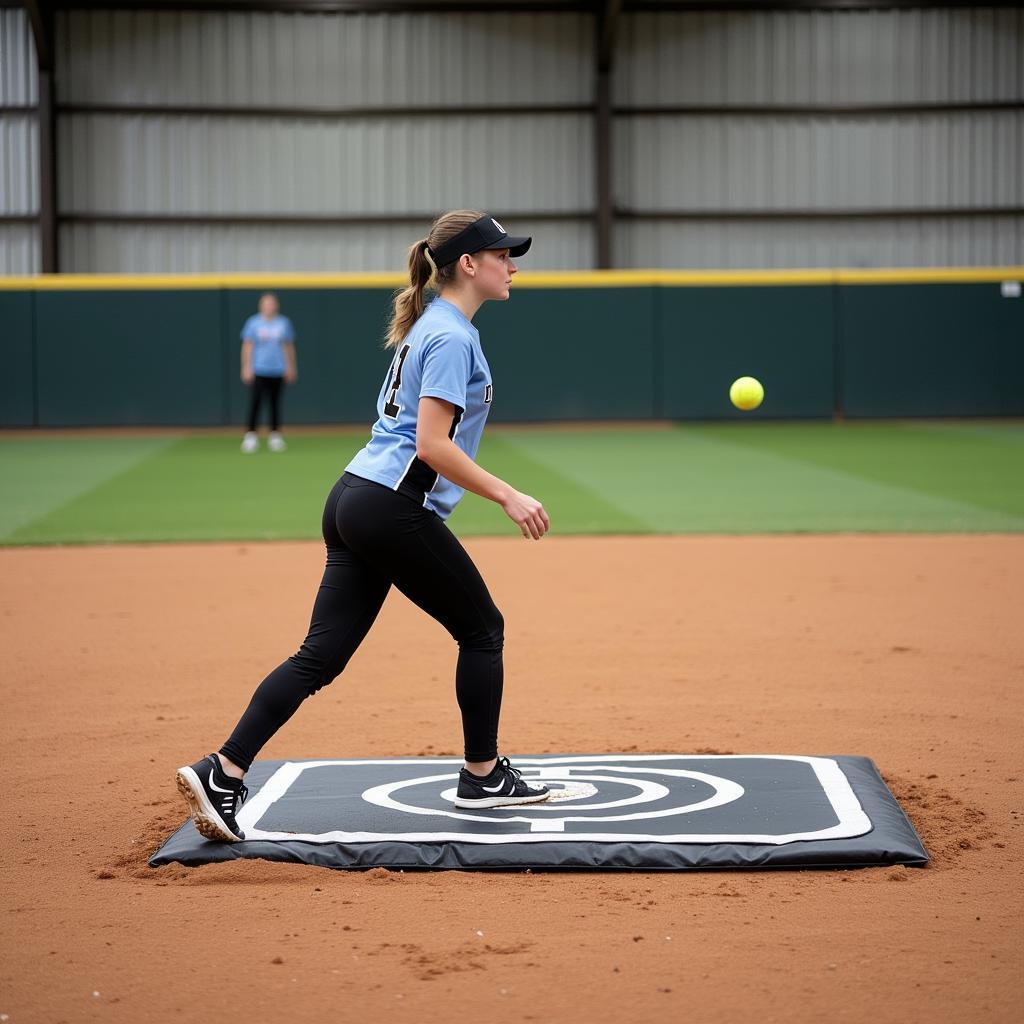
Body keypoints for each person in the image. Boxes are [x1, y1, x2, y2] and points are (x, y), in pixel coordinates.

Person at [176, 210, 552, 842]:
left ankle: (224, 769)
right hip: (389, 507)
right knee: (483, 629)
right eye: (502, 255)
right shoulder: (453, 335)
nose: (511, 265)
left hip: (355, 495)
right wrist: (507, 495)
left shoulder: (434, 324)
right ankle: (483, 776)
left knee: (319, 656)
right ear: (469, 264)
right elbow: (432, 445)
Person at [240, 292, 297, 453]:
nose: (269, 307)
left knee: (275, 403)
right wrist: (246, 367)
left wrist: (291, 367)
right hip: (259, 369)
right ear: (261, 306)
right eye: (266, 304)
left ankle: (275, 435)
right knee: (255, 403)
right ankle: (250, 436)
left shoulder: (283, 323)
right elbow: (248, 346)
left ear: (276, 306)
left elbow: (288, 346)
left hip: (278, 369)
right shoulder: (254, 323)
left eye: (271, 303)